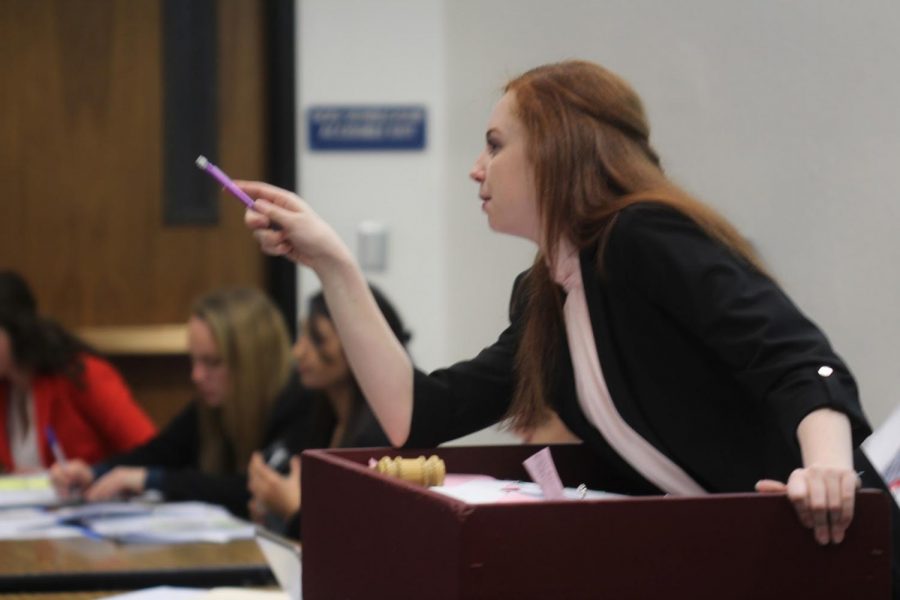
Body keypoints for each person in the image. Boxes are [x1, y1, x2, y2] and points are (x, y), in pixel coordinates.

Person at [238, 60, 898, 587]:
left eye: (495, 146)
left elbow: (794, 355)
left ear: (556, 150)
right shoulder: (545, 296)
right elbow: (417, 414)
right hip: (735, 560)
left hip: (830, 546)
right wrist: (333, 263)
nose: (476, 168)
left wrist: (828, 469)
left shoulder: (642, 235)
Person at [50, 287, 308, 518]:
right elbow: (159, 453)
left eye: (213, 362)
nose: (196, 376)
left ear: (253, 364)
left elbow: (247, 489)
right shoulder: (211, 406)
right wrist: (94, 473)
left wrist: (151, 480)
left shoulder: (300, 406)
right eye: (194, 361)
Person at [247, 286, 406, 537]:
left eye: (317, 337)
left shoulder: (381, 436)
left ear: (359, 344)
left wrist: (293, 509)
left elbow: (355, 538)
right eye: (301, 335)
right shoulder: (318, 413)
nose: (298, 351)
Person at [0, 271, 156, 473]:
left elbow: (152, 452)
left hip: (99, 500)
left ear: (16, 330)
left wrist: (90, 475)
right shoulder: (6, 386)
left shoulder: (81, 374)